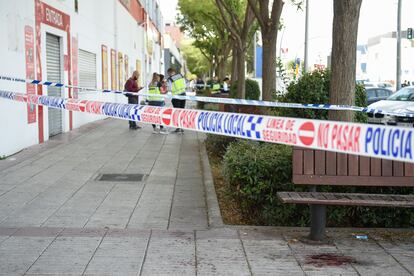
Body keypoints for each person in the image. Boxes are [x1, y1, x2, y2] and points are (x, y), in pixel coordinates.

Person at [167, 68, 186, 133]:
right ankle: (182, 128)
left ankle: (178, 128)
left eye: (168, 74)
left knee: (177, 112)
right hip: (183, 95)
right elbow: (185, 84)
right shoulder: (181, 76)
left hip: (176, 97)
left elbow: (170, 88)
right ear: (174, 72)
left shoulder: (170, 79)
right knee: (182, 111)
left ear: (169, 73)